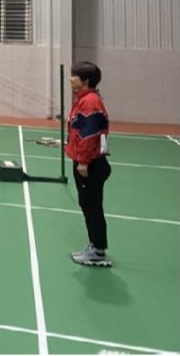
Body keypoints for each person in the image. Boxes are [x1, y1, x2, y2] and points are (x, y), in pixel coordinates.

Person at [67, 61, 113, 267]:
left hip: (90, 164)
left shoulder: (90, 102)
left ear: (85, 80)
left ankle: (98, 252)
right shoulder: (84, 99)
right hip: (86, 160)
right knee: (88, 205)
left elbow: (90, 135)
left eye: (74, 76)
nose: (70, 79)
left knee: (92, 207)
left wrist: (83, 162)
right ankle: (95, 246)